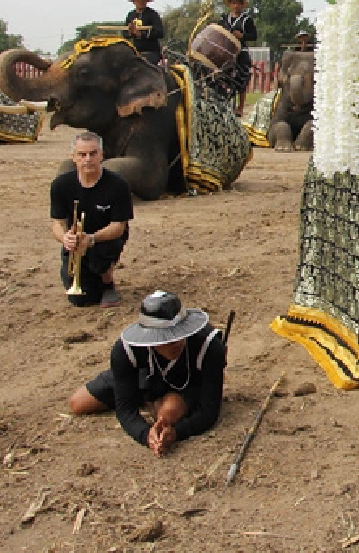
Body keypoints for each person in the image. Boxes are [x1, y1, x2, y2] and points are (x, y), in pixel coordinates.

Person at [67, 291, 226, 457]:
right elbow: (125, 411)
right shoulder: (125, 350)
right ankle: (149, 399)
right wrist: (144, 434)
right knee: (78, 403)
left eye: (179, 334)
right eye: (165, 338)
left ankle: (163, 402)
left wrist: (177, 433)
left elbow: (209, 412)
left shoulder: (208, 345)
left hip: (184, 382)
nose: (175, 342)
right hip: (142, 377)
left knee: (168, 413)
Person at [49, 132, 133, 308]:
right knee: (81, 299)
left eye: (93, 153)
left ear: (102, 155)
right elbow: (57, 222)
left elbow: (118, 226)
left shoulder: (118, 185)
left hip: (105, 237)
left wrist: (92, 239)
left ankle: (107, 281)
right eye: (82, 154)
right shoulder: (60, 185)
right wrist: (65, 238)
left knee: (101, 256)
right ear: (73, 157)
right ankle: (87, 277)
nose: (88, 159)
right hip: (78, 239)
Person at [218, 0, 258, 116]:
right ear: (230, 5)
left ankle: (240, 107)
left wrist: (243, 36)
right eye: (233, 3)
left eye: (238, 3)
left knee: (243, 76)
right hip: (226, 50)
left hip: (241, 50)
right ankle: (222, 101)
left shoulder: (247, 20)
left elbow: (254, 36)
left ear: (242, 5)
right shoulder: (224, 19)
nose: (236, 6)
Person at [123, 0, 166, 65]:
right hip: (136, 53)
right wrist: (131, 32)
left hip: (151, 53)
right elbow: (125, 34)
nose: (141, 2)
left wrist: (141, 34)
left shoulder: (153, 14)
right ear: (133, 1)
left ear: (147, 1)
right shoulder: (130, 15)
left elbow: (160, 33)